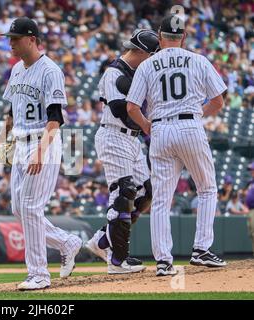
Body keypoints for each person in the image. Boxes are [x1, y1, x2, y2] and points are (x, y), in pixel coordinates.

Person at [126, 15, 228, 276]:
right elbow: (218, 102)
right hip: (190, 125)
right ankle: (201, 249)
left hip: (159, 129)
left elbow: (131, 107)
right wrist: (198, 114)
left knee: (161, 199)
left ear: (160, 37)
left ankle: (163, 261)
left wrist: (149, 126)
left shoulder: (147, 65)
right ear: (183, 37)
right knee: (207, 188)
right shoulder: (198, 60)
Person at [0, 17, 82, 290]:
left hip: (42, 140)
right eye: (10, 38)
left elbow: (56, 117)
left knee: (32, 207)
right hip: (21, 140)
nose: (11, 43)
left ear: (32, 39)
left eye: (16, 38)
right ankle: (66, 242)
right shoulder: (16, 71)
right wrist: (3, 138)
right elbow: (12, 110)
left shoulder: (50, 71)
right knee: (18, 209)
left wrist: (40, 151)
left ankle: (38, 274)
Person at [85, 28, 158, 274]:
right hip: (114, 135)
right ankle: (117, 260)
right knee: (123, 193)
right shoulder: (114, 72)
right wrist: (149, 126)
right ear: (139, 51)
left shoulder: (138, 73)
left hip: (132, 139)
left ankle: (103, 241)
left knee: (145, 193)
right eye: (151, 55)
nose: (153, 60)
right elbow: (120, 110)